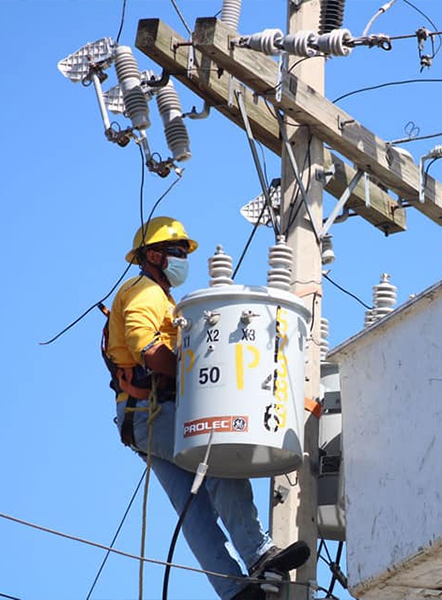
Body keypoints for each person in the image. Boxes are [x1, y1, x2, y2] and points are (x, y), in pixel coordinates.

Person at [104, 216, 308, 600]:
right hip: (154, 413)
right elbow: (148, 351)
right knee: (218, 457)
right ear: (152, 256)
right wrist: (199, 375)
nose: (183, 258)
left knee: (193, 510)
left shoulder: (154, 294)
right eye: (175, 251)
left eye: (184, 251)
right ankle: (260, 553)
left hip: (141, 419)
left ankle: (232, 590)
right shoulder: (144, 292)